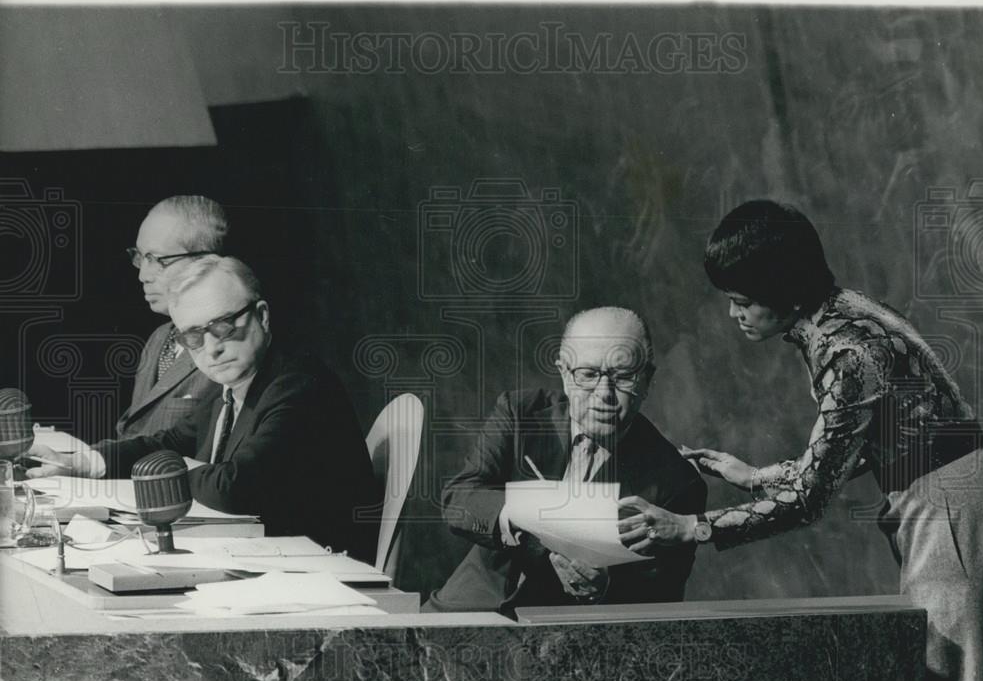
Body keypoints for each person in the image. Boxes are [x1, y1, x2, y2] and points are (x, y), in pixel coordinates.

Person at [618, 199, 983, 681]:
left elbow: (808, 501)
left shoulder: (846, 352)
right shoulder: (845, 315)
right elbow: (857, 449)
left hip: (949, 512)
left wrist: (692, 528)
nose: (734, 314)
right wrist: (754, 476)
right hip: (950, 501)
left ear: (786, 292)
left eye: (742, 301)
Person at [27, 255, 380, 563]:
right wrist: (89, 462)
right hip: (260, 558)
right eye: (193, 337)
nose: (211, 349)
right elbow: (169, 440)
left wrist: (168, 468)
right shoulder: (234, 386)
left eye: (223, 327)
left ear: (262, 316)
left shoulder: (298, 385)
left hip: (319, 574)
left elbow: (235, 486)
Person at [425, 306, 707, 616]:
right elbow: (459, 499)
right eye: (588, 375)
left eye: (623, 377)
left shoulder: (678, 482)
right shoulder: (519, 413)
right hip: (467, 607)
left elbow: (661, 600)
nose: (604, 395)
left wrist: (604, 590)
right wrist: (526, 517)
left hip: (569, 639)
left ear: (647, 379)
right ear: (564, 373)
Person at [117, 196, 228, 439]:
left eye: (158, 260)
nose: (143, 276)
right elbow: (132, 431)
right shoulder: (159, 338)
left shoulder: (226, 347)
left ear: (205, 262)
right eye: (140, 257)